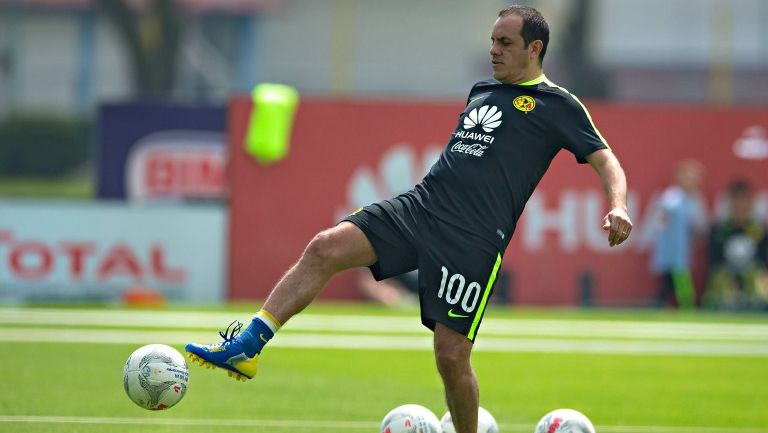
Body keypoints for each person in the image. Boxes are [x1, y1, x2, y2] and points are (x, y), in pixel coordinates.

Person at [186, 6, 632, 433]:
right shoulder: (483, 90)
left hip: (472, 238)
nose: (493, 49)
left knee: (450, 354)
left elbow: (606, 160)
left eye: (505, 42)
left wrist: (618, 205)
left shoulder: (558, 105)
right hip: (421, 207)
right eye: (492, 41)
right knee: (325, 246)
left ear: (534, 49)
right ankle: (248, 345)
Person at [648, 160, 707, 309]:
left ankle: (670, 305)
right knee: (675, 280)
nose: (690, 181)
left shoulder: (696, 200)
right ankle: (679, 306)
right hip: (671, 248)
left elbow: (700, 226)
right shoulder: (671, 197)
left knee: (677, 281)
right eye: (687, 177)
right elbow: (662, 218)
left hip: (683, 249)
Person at [704, 180, 768, 310]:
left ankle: (758, 304)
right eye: (736, 201)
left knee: (760, 278)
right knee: (720, 278)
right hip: (726, 274)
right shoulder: (720, 230)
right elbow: (714, 262)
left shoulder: (758, 231)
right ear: (730, 203)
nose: (740, 206)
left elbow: (763, 261)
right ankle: (726, 303)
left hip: (752, 274)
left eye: (744, 202)